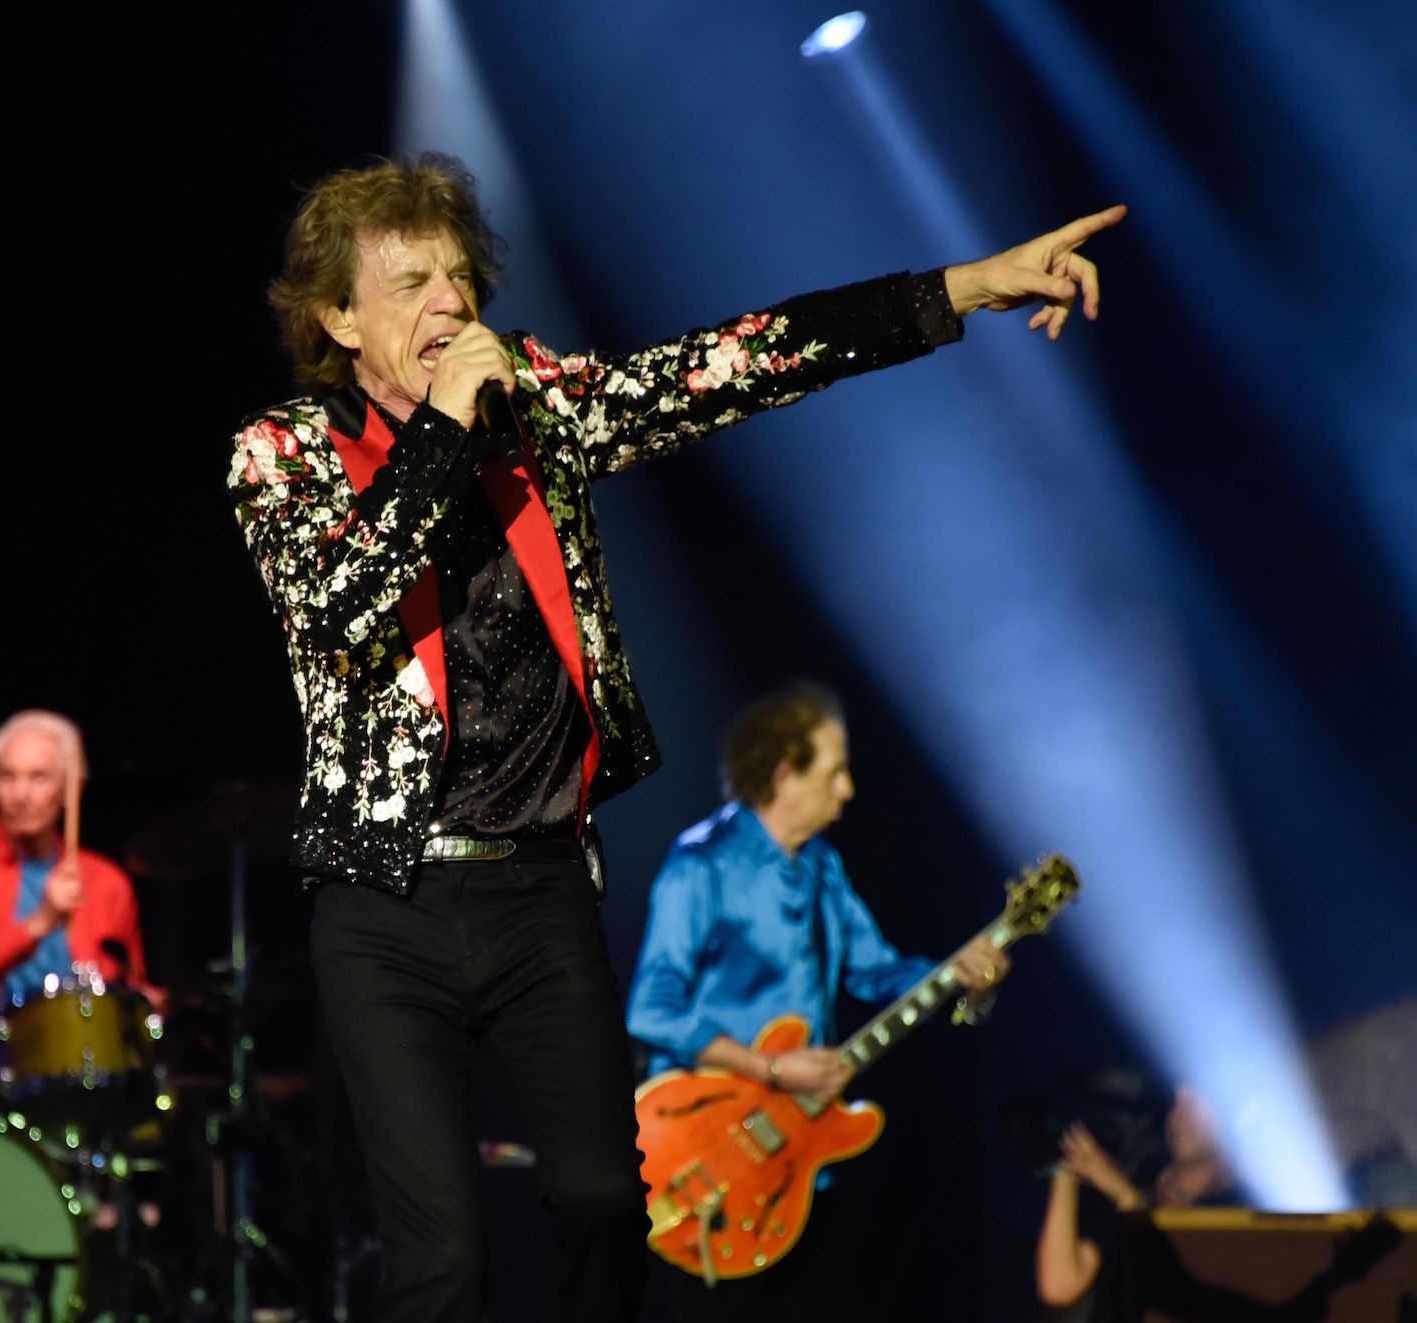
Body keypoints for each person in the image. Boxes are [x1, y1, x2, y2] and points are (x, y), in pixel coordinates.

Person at [226, 152, 1119, 1323]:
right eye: (408, 284)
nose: (448, 303)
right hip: (386, 906)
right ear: (339, 317)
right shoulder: (278, 455)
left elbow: (737, 361)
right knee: (439, 1258)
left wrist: (957, 288)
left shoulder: (536, 411)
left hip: (537, 887)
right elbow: (341, 609)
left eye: (457, 278)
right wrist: (439, 434)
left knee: (604, 1201)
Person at [625, 681, 1009, 1321]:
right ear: (784, 775)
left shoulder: (822, 866)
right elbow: (651, 1009)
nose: (848, 790)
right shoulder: (702, 866)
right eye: (833, 773)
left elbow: (877, 972)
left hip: (797, 1171)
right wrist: (771, 1068)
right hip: (705, 1163)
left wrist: (961, 973)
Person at [0, 709, 151, 1117]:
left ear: (71, 788)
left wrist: (144, 999)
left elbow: (127, 993)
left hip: (88, 1075)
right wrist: (38, 923)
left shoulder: (106, 882)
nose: (21, 794)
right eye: (7, 776)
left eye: (39, 778)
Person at [1036, 1086, 1238, 1320]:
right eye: (1177, 1101)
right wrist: (1065, 1163)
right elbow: (1060, 1285)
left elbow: (1175, 1296)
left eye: (1194, 1103)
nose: (1179, 1115)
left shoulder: (1245, 1211)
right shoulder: (1138, 1174)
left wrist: (1128, 1199)